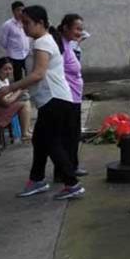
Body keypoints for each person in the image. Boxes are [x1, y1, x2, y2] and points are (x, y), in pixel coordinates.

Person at [0, 5, 84, 200]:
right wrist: (19, 89)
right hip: (53, 100)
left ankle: (72, 184)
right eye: (23, 23)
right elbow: (35, 76)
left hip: (54, 100)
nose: (24, 27)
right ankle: (37, 180)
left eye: (28, 23)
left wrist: (10, 88)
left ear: (41, 23)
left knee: (52, 142)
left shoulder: (42, 43)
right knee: (40, 140)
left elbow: (37, 74)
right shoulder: (43, 41)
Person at [56, 13, 88, 179]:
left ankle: (70, 167)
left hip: (74, 96)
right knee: (68, 136)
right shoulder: (60, 46)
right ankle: (66, 170)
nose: (79, 32)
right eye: (77, 29)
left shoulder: (68, 44)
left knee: (73, 135)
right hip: (67, 98)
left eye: (81, 29)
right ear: (66, 28)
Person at [0, 1, 31, 82]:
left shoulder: (25, 23)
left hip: (26, 53)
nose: (20, 12)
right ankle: (18, 93)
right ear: (13, 11)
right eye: (18, 10)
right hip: (14, 55)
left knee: (29, 74)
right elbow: (2, 40)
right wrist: (11, 49)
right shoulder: (8, 25)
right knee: (18, 77)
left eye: (22, 10)